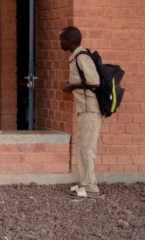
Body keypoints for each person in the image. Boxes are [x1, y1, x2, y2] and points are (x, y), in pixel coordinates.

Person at [59, 25, 103, 199]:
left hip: (91, 110)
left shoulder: (82, 57)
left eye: (61, 40)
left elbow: (95, 82)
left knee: (87, 148)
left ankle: (91, 188)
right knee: (83, 147)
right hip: (85, 110)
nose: (59, 43)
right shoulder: (75, 57)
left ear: (70, 41)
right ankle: (85, 183)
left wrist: (72, 86)